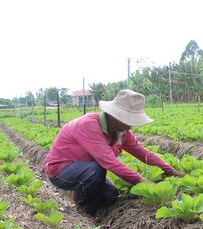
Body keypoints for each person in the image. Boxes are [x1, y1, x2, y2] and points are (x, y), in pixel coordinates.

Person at [44, 89, 182, 216]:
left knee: (111, 195)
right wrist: (145, 183)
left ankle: (86, 199)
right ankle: (84, 213)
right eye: (130, 119)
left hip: (88, 169)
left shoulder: (122, 132)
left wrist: (170, 170)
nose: (132, 125)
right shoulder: (88, 125)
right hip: (60, 170)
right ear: (116, 116)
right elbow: (109, 162)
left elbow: (143, 153)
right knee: (96, 170)